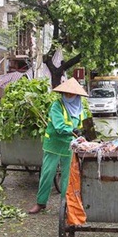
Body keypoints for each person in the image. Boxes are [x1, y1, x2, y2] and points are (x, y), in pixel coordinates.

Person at [28, 78, 89, 214]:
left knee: (68, 177)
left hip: (70, 147)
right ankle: (41, 203)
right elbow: (59, 126)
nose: (67, 96)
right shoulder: (57, 105)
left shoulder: (81, 109)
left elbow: (84, 126)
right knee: (47, 174)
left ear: (77, 96)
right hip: (54, 146)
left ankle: (65, 205)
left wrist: (85, 135)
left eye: (71, 94)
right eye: (65, 94)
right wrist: (74, 131)